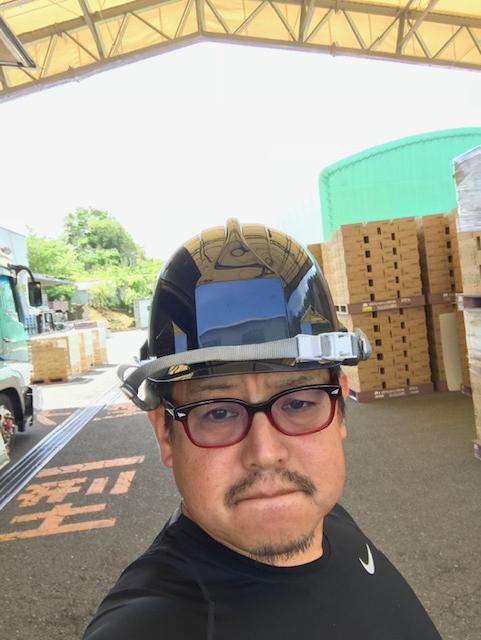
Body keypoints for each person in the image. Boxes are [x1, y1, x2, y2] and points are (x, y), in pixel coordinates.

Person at [83, 219, 441, 639]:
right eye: (218, 412)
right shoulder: (147, 626)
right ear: (165, 433)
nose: (266, 453)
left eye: (297, 403)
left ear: (339, 408)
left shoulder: (328, 519)